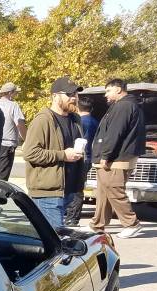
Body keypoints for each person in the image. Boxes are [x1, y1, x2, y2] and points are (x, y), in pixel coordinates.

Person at [22, 77, 86, 228]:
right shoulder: (43, 120)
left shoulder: (75, 119)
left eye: (75, 94)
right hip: (47, 193)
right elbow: (30, 153)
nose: (73, 98)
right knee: (56, 241)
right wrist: (63, 155)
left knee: (54, 240)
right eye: (69, 94)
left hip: (69, 190)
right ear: (55, 96)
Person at [90, 79, 147, 238]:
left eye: (108, 91)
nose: (105, 95)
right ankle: (97, 225)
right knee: (103, 191)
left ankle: (131, 223)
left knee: (114, 189)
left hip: (117, 158)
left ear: (118, 89)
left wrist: (105, 155)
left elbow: (115, 133)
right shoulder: (125, 105)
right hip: (117, 157)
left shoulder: (124, 106)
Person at [64, 95, 100, 228]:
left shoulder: (81, 122)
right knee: (77, 185)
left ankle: (72, 217)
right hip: (89, 157)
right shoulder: (95, 121)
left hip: (80, 156)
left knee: (75, 186)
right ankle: (71, 215)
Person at [0, 82, 26, 181]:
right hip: (7, 145)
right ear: (10, 93)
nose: (16, 95)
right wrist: (27, 139)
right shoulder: (13, 106)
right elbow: (20, 124)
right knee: (2, 176)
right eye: (15, 93)